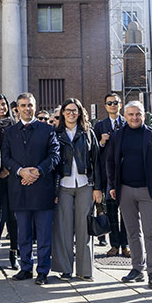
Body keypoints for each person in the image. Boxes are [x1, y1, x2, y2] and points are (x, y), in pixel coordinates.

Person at [107, 100, 152, 290]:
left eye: (138, 114)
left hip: (149, 191)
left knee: (151, 233)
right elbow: (110, 161)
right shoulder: (118, 136)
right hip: (125, 190)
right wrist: (112, 185)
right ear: (125, 116)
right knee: (132, 232)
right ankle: (137, 269)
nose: (135, 118)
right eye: (131, 114)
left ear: (144, 115)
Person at [2, 92, 60, 285]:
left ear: (35, 106)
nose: (27, 108)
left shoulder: (47, 130)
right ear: (17, 109)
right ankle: (25, 268)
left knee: (44, 236)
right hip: (19, 189)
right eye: (23, 105)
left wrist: (37, 171)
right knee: (23, 234)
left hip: (42, 189)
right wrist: (20, 171)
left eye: (30, 105)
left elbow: (54, 155)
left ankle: (43, 270)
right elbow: (6, 157)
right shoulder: (9, 132)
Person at [52, 98, 103, 281]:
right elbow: (52, 164)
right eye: (68, 110)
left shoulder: (88, 133)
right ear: (62, 113)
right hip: (63, 187)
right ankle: (65, 269)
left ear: (80, 113)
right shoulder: (56, 134)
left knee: (84, 229)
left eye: (75, 110)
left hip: (85, 185)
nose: (71, 113)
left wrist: (98, 188)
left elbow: (97, 162)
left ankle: (85, 270)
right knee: (64, 228)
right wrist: (53, 192)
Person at [93, 92, 129, 257]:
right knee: (112, 213)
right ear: (105, 106)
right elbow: (93, 152)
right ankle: (114, 244)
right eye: (110, 103)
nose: (113, 105)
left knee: (127, 213)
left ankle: (126, 244)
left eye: (116, 102)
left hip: (126, 175)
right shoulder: (100, 126)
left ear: (120, 104)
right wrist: (101, 142)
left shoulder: (127, 122)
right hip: (108, 176)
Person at [0, 93, 18, 270]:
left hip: (12, 176)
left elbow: (17, 151)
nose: (1, 108)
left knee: (13, 217)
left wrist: (9, 169)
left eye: (4, 105)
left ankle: (14, 254)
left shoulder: (14, 126)